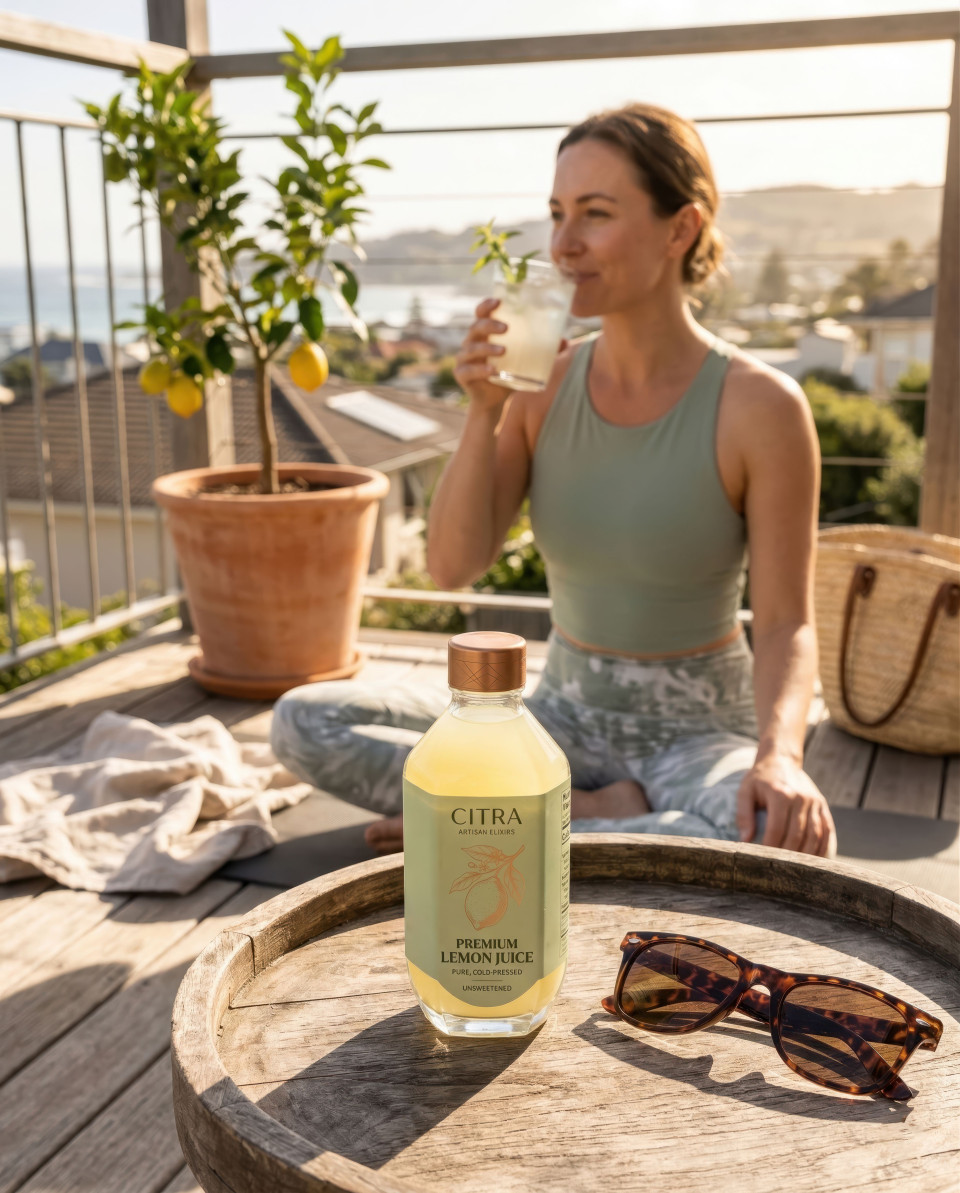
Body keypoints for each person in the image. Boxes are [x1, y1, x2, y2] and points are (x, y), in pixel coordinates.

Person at [271, 102, 836, 859]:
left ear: (681, 228)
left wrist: (780, 757)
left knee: (779, 831)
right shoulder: (543, 383)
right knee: (303, 721)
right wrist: (483, 413)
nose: (564, 245)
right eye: (557, 213)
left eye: (596, 215)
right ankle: (587, 820)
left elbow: (785, 624)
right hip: (553, 717)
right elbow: (452, 566)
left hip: (697, 735)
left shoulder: (762, 406)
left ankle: (516, 826)